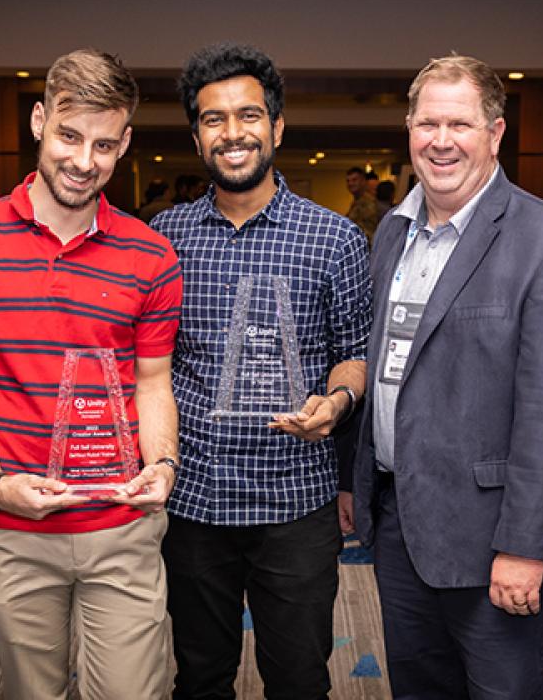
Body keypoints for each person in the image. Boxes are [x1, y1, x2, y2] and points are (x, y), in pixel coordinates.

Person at [0, 48, 182, 700]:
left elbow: (152, 383)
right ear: (39, 120)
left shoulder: (152, 256)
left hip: (121, 524)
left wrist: (165, 466)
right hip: (8, 525)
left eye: (103, 144)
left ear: (124, 144)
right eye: (69, 135)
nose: (83, 160)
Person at [353, 54, 543, 699]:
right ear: (408, 128)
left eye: (458, 124)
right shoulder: (393, 233)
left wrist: (523, 547)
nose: (440, 141)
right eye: (426, 123)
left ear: (494, 133)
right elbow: (387, 369)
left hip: (494, 540)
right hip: (401, 524)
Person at [151, 42, 371, 700]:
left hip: (295, 505)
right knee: (200, 675)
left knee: (299, 679)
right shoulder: (165, 237)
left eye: (248, 116)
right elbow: (148, 367)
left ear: (276, 127)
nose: (233, 133)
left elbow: (354, 353)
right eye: (214, 120)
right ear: (196, 136)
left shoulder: (334, 238)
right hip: (193, 501)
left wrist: (335, 402)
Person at [345, 166, 379, 244]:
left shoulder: (369, 202)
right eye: (348, 181)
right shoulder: (356, 202)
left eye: (354, 180)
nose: (350, 183)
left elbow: (369, 232)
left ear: (363, 181)